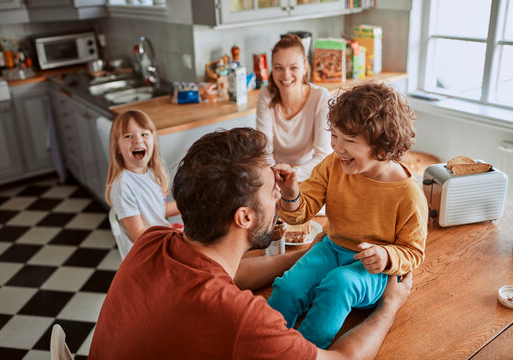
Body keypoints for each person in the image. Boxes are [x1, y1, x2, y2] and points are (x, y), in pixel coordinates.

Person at [89, 127, 413, 360]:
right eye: (272, 191)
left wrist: (304, 255)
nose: (278, 196)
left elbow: (230, 275)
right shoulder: (243, 319)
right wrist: (389, 307)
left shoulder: (153, 241)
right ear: (244, 217)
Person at [269, 83, 428, 349]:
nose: (337, 148)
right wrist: (290, 193)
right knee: (288, 287)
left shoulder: (409, 195)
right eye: (335, 136)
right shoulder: (333, 165)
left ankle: (307, 352)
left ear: (382, 149)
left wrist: (386, 256)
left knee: (338, 283)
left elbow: (413, 252)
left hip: (371, 270)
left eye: (350, 141)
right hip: (331, 248)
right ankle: (265, 340)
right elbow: (301, 212)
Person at [256, 34, 332, 182]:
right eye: (279, 68)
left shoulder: (320, 96)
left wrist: (290, 173)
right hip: (275, 176)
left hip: (310, 176)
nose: (286, 75)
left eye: (293, 67)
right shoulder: (266, 94)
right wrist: (278, 175)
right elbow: (264, 151)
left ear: (305, 67)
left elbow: (323, 156)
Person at [105, 109, 180, 252]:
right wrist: (176, 235)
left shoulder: (151, 174)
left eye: (144, 134)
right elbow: (139, 236)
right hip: (148, 251)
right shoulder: (123, 185)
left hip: (161, 240)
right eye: (128, 136)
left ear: (153, 140)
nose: (138, 140)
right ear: (117, 148)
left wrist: (188, 205)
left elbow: (157, 210)